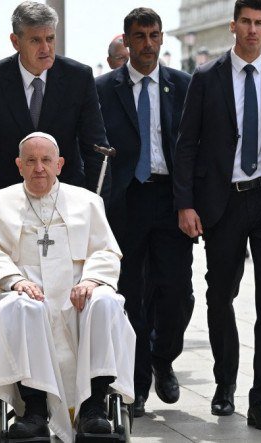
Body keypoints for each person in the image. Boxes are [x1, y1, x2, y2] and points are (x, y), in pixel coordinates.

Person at [173, 0, 261, 431]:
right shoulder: (207, 77)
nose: (252, 30)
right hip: (222, 203)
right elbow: (186, 144)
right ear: (233, 26)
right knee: (219, 295)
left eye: (259, 23)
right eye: (245, 22)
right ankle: (224, 383)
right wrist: (186, 203)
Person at [0, 132, 135, 441]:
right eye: (31, 161)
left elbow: (106, 251)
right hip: (23, 293)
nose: (39, 168)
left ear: (59, 164)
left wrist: (90, 280)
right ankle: (33, 411)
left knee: (106, 302)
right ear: (19, 165)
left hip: (77, 298)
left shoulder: (87, 201)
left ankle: (94, 408)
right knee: (21, 307)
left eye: (46, 160)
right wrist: (15, 281)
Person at [95, 7, 193, 417]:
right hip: (126, 202)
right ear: (127, 39)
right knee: (128, 296)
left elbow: (195, 147)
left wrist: (193, 202)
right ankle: (134, 385)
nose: (148, 44)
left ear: (162, 38)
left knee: (176, 293)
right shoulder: (103, 89)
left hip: (171, 200)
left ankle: (162, 357)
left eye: (154, 35)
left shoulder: (184, 85)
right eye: (139, 36)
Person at [0, 1, 109, 205]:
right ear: (15, 41)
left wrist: (94, 207)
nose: (46, 48)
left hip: (67, 203)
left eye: (50, 39)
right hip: (9, 205)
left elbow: (96, 150)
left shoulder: (78, 78)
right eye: (35, 40)